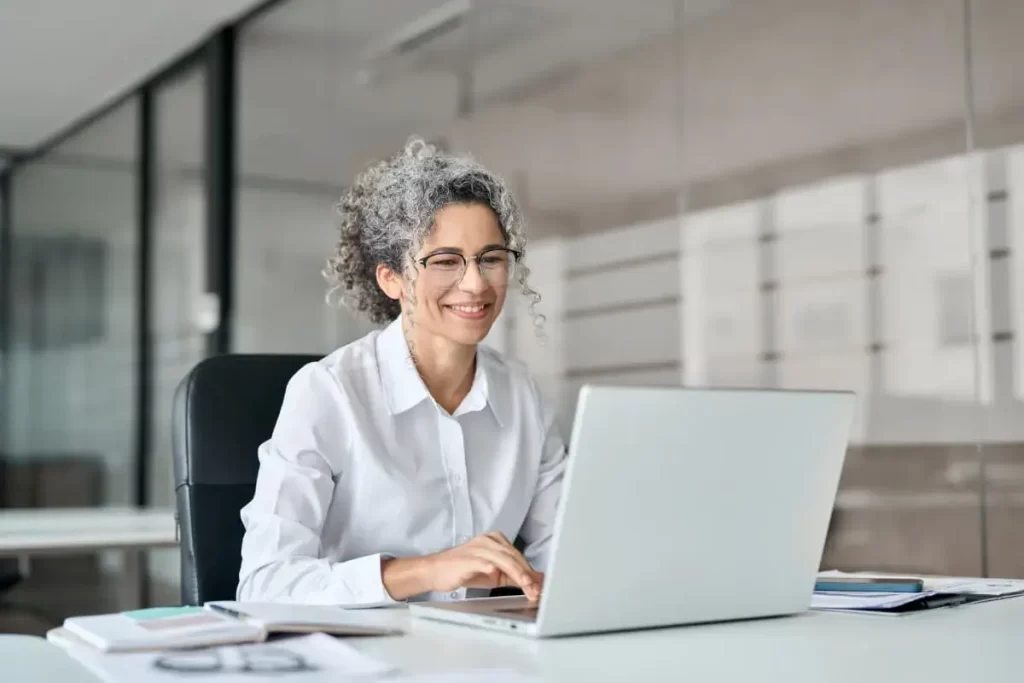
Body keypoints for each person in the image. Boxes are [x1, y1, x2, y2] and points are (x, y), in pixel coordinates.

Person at [236, 138, 567, 606]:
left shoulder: (522, 396)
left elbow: (563, 551)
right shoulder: (328, 393)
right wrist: (428, 570)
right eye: (445, 261)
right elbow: (263, 585)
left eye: (490, 258)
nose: (475, 283)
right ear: (391, 278)